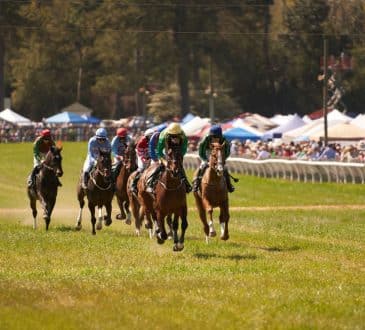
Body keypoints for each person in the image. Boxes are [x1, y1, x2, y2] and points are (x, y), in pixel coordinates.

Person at [146, 122, 192, 193]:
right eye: (172, 135)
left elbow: (184, 149)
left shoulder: (183, 136)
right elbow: (159, 151)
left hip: (177, 150)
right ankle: (151, 183)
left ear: (179, 134)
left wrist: (178, 158)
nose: (174, 137)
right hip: (166, 149)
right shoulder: (163, 135)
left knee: (179, 166)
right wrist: (164, 161)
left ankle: (186, 184)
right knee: (160, 166)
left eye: (176, 135)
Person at [192, 124, 235, 193]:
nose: (214, 139)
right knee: (202, 166)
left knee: (224, 168)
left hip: (219, 154)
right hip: (207, 153)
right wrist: (206, 160)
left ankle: (229, 185)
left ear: (220, 136)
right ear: (210, 136)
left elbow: (227, 152)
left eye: (217, 137)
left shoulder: (224, 140)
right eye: (213, 137)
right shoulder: (205, 139)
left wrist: (222, 160)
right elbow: (201, 152)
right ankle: (196, 183)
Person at [130, 128, 154, 194]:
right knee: (142, 167)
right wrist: (145, 159)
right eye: (150, 136)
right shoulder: (141, 141)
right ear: (147, 136)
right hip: (140, 154)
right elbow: (140, 152)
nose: (152, 137)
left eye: (153, 136)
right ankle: (133, 184)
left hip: (149, 155)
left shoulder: (154, 140)